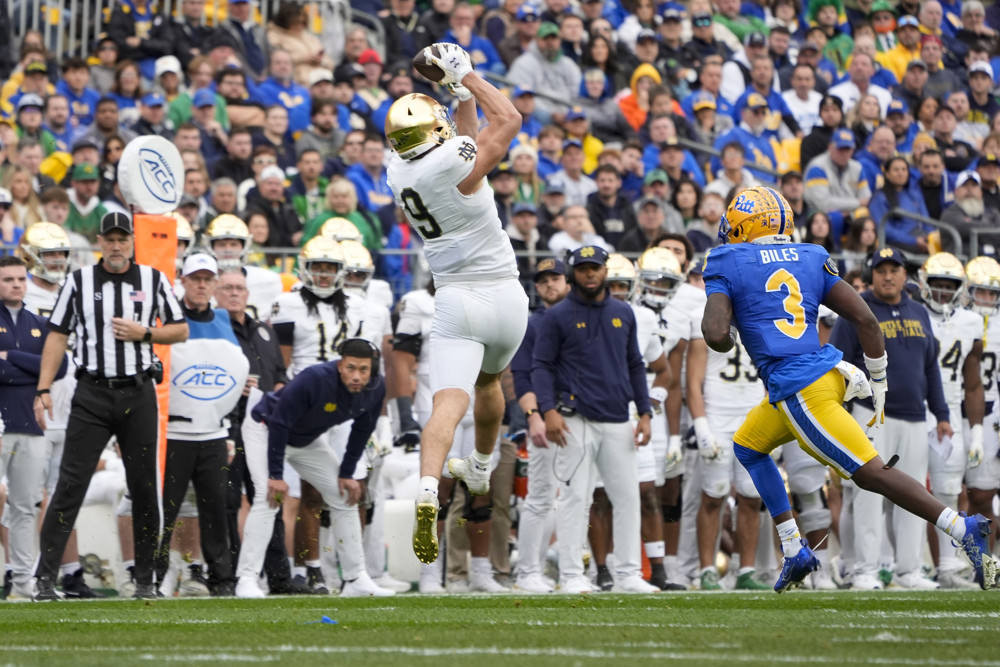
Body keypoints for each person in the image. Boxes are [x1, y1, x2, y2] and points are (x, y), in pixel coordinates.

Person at [702, 185, 998, 592]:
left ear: (742, 226)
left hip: (798, 387)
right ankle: (794, 549)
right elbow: (866, 320)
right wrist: (878, 379)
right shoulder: (812, 255)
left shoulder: (727, 261)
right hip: (825, 373)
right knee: (748, 446)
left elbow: (715, 333)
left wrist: (736, 321)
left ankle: (961, 526)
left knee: (870, 473)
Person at [384, 44, 528, 565]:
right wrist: (467, 74)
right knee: (491, 385)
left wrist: (455, 93)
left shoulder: (397, 172)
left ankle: (428, 488)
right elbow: (508, 118)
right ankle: (483, 465)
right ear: (434, 131)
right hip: (507, 298)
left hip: (455, 298)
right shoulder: (454, 163)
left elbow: (460, 140)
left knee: (449, 401)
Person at [32, 212, 189, 600]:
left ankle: (145, 579)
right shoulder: (78, 281)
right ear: (100, 241)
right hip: (92, 393)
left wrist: (146, 332)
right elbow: (57, 335)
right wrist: (43, 387)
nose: (116, 246)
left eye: (123, 239)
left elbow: (180, 328)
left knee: (143, 486)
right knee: (69, 485)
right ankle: (44, 579)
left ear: (132, 241)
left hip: (138, 393)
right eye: (110, 239)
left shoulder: (153, 279)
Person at [530, 245, 658, 594]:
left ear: (605, 270)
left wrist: (644, 412)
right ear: (573, 272)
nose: (590, 274)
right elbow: (541, 366)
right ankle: (572, 575)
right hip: (574, 419)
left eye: (595, 267)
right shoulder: (557, 316)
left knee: (627, 496)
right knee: (576, 497)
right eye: (583, 268)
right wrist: (549, 410)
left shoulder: (624, 313)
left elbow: (635, 364)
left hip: (618, 417)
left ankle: (629, 574)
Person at [235, 338, 393, 599]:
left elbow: (362, 429)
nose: (357, 376)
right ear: (340, 365)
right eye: (351, 368)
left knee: (344, 495)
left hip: (305, 439)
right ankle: (247, 579)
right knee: (269, 496)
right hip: (265, 429)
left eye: (363, 370)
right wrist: (276, 475)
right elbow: (279, 422)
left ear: (372, 369)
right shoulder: (314, 379)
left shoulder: (376, 388)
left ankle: (355, 578)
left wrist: (346, 473)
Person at [156, 254, 249, 597]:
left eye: (207, 279)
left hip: (213, 433)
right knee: (164, 510)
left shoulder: (226, 321)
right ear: (182, 280)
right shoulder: (167, 319)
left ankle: (222, 579)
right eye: (195, 278)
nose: (200, 284)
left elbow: (233, 382)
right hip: (173, 434)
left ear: (214, 284)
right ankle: (156, 575)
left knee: (215, 509)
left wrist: (228, 430)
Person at [0, 256, 68, 599]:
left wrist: (10, 358)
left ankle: (24, 583)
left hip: (30, 425)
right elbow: (43, 370)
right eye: (8, 279)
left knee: (26, 505)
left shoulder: (40, 323)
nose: (15, 284)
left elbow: (60, 367)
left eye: (20, 279)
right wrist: (33, 371)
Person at [507, 259, 569, 594]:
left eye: (555, 278)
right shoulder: (532, 324)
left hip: (588, 415)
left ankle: (576, 569)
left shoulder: (587, 315)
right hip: (548, 416)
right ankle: (529, 570)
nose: (549, 285)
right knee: (541, 495)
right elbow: (522, 374)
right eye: (542, 280)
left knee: (580, 496)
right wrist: (533, 415)